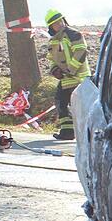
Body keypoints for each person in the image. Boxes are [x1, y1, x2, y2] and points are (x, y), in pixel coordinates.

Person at [45, 9, 90, 141]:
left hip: (79, 78)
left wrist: (71, 69)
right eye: (55, 24)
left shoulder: (74, 34)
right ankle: (67, 131)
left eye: (60, 22)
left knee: (83, 107)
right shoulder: (53, 40)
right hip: (65, 79)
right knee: (61, 102)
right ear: (51, 27)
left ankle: (89, 133)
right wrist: (54, 70)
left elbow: (81, 52)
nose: (59, 25)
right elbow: (51, 58)